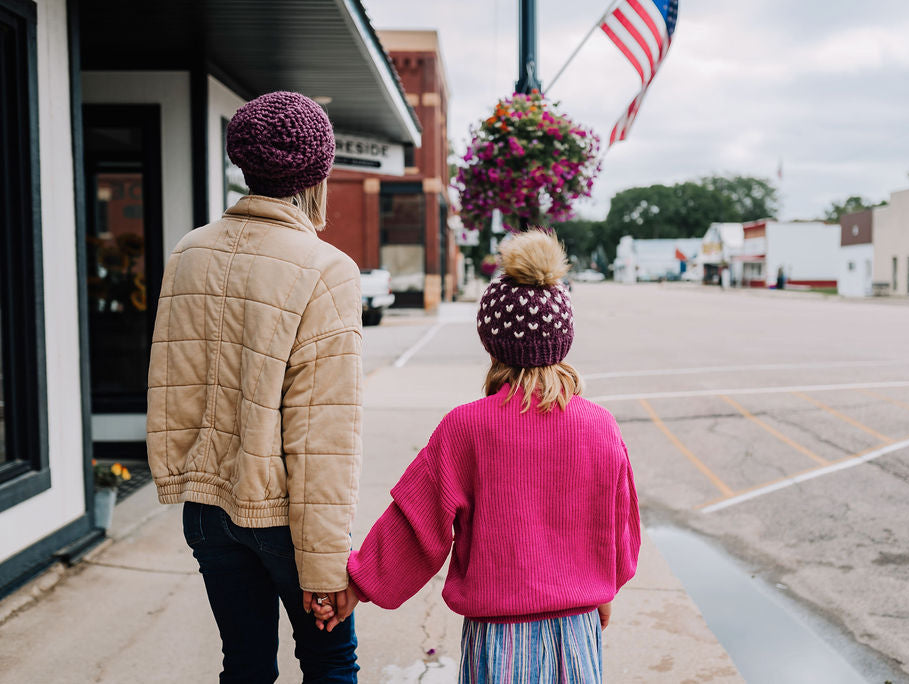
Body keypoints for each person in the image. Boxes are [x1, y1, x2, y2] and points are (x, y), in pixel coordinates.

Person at [315, 231, 642, 683]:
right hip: (576, 633)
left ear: (491, 342)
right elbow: (616, 528)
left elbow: (416, 523)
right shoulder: (601, 426)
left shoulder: (466, 428)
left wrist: (357, 584)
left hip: (498, 642)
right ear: (561, 339)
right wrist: (600, 589)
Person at [147, 91, 362, 683]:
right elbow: (323, 434)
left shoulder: (189, 253)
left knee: (243, 665)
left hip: (206, 505)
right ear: (319, 171)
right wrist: (324, 567)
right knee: (329, 663)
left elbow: (174, 384)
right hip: (285, 520)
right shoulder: (327, 269)